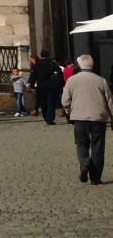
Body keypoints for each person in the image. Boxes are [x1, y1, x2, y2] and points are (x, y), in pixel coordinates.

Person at [60, 54, 113, 186]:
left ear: (79, 65)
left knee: (81, 144)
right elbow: (110, 101)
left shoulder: (72, 80)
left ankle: (84, 164)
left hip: (79, 116)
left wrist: (69, 110)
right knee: (98, 147)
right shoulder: (101, 80)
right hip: (98, 117)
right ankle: (95, 177)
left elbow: (65, 101)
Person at [29, 50, 64, 125]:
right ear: (48, 55)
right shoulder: (53, 64)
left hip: (41, 86)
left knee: (43, 102)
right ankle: (50, 118)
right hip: (51, 86)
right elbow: (59, 74)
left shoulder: (37, 65)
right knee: (50, 102)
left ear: (41, 55)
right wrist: (60, 84)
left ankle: (45, 116)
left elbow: (33, 76)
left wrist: (32, 85)